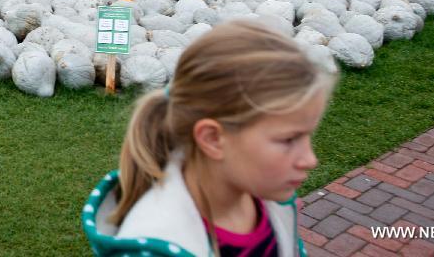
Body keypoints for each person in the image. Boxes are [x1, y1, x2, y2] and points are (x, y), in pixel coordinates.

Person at [82, 21, 337, 257]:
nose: (310, 159)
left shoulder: (269, 201)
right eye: (289, 140)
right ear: (213, 139)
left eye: (307, 136)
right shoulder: (155, 244)